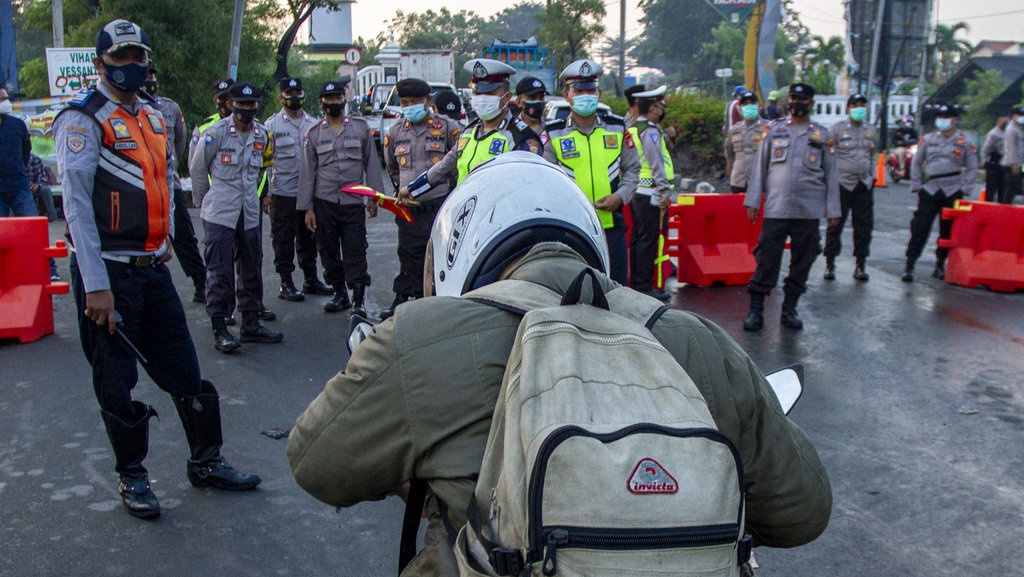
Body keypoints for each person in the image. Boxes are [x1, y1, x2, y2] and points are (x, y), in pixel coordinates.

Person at [286, 153, 832, 577]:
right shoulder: (700, 342)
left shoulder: (416, 338)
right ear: (588, 237)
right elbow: (802, 511)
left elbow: (316, 464)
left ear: (460, 248)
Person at [54, 19, 260, 520]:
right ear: (102, 62)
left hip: (150, 267)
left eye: (138, 56)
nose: (131, 66)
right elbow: (77, 207)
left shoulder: (151, 114)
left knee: (183, 367)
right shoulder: (82, 118)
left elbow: (163, 176)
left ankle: (206, 461)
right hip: (107, 272)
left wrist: (164, 233)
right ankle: (133, 476)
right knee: (116, 379)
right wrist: (95, 285)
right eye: (120, 57)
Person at [190, 81, 283, 352]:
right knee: (220, 270)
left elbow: (265, 169)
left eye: (252, 105)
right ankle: (220, 327)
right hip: (220, 211)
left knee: (252, 266)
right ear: (230, 105)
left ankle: (251, 322)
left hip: (249, 211)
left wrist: (263, 196)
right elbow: (197, 170)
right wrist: (205, 201)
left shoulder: (262, 134)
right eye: (241, 104)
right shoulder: (216, 133)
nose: (246, 109)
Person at [743, 83, 840, 332]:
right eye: (793, 98)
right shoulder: (774, 130)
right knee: (766, 258)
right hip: (777, 207)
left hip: (808, 210)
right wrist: (753, 200)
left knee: (803, 259)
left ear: (811, 104)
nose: (797, 103)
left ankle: (790, 308)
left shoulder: (822, 134)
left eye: (802, 99)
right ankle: (756, 309)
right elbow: (760, 167)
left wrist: (833, 211)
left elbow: (832, 174)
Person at [543, 59, 640, 285]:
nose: (586, 95)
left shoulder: (617, 127)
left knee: (616, 293)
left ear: (599, 93)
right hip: (572, 230)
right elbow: (545, 180)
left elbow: (633, 169)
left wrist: (620, 196)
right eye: (579, 90)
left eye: (591, 90)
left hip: (612, 228)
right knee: (576, 293)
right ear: (566, 95)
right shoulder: (554, 133)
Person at [297, 79, 384, 317]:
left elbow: (371, 164)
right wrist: (308, 208)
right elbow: (307, 172)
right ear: (321, 102)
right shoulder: (313, 134)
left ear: (344, 100)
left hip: (353, 201)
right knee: (328, 250)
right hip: (324, 201)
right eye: (329, 99)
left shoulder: (360, 128)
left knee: (356, 248)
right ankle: (339, 293)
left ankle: (358, 298)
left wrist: (374, 197)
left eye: (338, 98)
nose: (334, 102)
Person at [400, 59, 542, 202]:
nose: (481, 98)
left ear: (507, 97)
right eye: (477, 92)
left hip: (499, 217)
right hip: (466, 214)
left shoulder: (520, 138)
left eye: (490, 93)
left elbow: (530, 188)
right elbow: (442, 168)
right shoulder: (469, 133)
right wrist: (412, 189)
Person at [380, 78, 461, 320]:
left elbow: (455, 163)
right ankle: (408, 300)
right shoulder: (394, 132)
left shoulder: (447, 127)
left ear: (427, 100)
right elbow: (392, 168)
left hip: (439, 205)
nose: (410, 106)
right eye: (405, 102)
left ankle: (439, 301)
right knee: (409, 253)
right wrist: (404, 188)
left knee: (442, 254)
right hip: (409, 207)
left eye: (415, 101)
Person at [142, 61, 206, 303]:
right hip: (139, 186)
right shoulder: (126, 109)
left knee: (183, 234)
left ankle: (201, 282)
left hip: (168, 183)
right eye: (145, 74)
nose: (149, 79)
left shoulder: (170, 108)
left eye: (152, 74)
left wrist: (167, 167)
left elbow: (179, 143)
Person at [264, 76, 331, 302]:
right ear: (281, 97)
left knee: (309, 236)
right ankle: (286, 282)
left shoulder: (313, 124)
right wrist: (265, 194)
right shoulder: (271, 125)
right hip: (282, 191)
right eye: (290, 94)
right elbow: (265, 165)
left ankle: (311, 279)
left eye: (298, 94)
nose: (294, 98)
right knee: (282, 238)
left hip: (308, 192)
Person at [902, 103, 978, 282]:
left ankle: (940, 264)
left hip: (952, 190)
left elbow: (973, 168)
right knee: (920, 228)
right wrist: (917, 185)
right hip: (930, 189)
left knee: (948, 231)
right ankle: (910, 265)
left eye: (946, 118)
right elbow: (916, 163)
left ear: (954, 120)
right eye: (940, 118)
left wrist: (965, 189)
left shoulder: (965, 142)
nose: (942, 121)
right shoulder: (928, 139)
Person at [824, 93, 877, 282]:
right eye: (855, 106)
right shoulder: (836, 130)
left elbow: (873, 155)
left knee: (864, 226)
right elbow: (828, 155)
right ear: (848, 108)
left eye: (862, 105)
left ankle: (860, 264)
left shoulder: (870, 130)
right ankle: (830, 263)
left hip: (863, 184)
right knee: (835, 224)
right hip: (841, 184)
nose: (859, 109)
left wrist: (872, 176)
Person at [627, 85, 673, 301]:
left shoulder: (634, 127)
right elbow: (656, 164)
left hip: (638, 191)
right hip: (650, 193)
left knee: (639, 238)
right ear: (653, 107)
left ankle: (637, 282)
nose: (662, 109)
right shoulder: (650, 131)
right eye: (660, 105)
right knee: (648, 240)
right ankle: (643, 286)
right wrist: (664, 191)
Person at [0, 87, 35, 218]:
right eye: (2, 99)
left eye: (6, 99)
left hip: (19, 185)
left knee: (31, 223)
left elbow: (26, 150)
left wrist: (19, 168)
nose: (6, 102)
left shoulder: (18, 125)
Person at [725, 90, 768, 193]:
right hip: (738, 181)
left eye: (752, 103)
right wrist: (729, 176)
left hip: (761, 180)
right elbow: (730, 156)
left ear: (759, 106)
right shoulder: (734, 130)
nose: (749, 106)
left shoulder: (768, 128)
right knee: (737, 208)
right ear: (740, 108)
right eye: (745, 104)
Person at [513, 75, 548, 146]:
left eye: (541, 97)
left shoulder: (552, 128)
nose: (538, 101)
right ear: (518, 102)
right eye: (532, 97)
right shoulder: (511, 128)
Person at [26, 152, 59, 221]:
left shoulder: (36, 159)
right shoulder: (15, 159)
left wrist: (37, 184)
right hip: (22, 188)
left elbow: (42, 176)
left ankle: (53, 217)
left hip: (35, 186)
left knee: (46, 190)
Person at [1003, 106, 1024, 204]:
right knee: (1010, 189)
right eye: (1020, 115)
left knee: (1014, 188)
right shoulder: (1011, 129)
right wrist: (1014, 164)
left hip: (1018, 163)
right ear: (1014, 116)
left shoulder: (1018, 128)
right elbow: (1011, 148)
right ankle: (1005, 210)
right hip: (1012, 164)